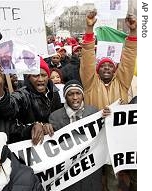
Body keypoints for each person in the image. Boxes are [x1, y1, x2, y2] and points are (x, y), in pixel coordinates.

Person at [80, 10, 137, 191]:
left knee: (113, 176)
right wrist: (89, 29)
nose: (106, 68)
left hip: (115, 139)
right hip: (94, 138)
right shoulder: (90, 84)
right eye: (102, 65)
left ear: (115, 70)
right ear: (97, 70)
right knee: (94, 177)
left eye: (110, 66)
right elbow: (88, 59)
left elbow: (128, 58)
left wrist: (133, 33)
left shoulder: (122, 83)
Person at [0, 55, 62, 130]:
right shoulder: (23, 95)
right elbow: (5, 109)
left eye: (44, 75)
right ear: (29, 78)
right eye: (35, 75)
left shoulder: (54, 92)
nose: (40, 79)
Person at [49, 80, 102, 191]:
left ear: (82, 95)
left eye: (78, 93)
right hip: (69, 169)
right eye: (70, 94)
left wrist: (108, 117)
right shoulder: (55, 117)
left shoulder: (93, 112)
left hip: (90, 166)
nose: (74, 97)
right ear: (65, 96)